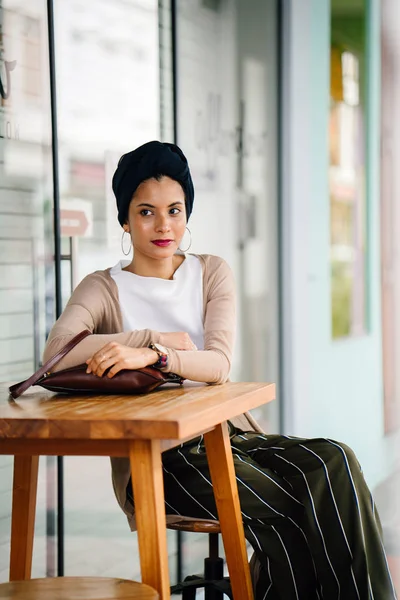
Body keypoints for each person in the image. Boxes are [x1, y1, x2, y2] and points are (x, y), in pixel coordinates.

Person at [43, 141, 396, 600]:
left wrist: (156, 356)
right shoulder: (103, 288)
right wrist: (146, 338)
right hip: (160, 463)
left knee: (336, 460)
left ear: (187, 212)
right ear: (125, 220)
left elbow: (219, 364)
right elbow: (55, 352)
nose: (163, 225)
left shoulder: (210, 272)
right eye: (146, 212)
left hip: (228, 437)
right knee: (301, 509)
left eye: (175, 209)